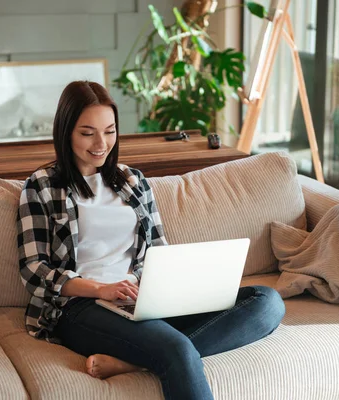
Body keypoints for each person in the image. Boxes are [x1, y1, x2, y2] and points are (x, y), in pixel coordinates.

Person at [17, 80, 286, 400]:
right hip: (81, 308)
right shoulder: (42, 186)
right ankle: (157, 355)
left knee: (267, 302)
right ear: (66, 132)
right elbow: (34, 270)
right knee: (176, 349)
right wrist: (101, 289)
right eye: (87, 133)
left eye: (110, 130)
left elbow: (157, 251)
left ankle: (131, 362)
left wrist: (148, 285)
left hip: (142, 299)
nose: (100, 143)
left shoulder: (134, 181)